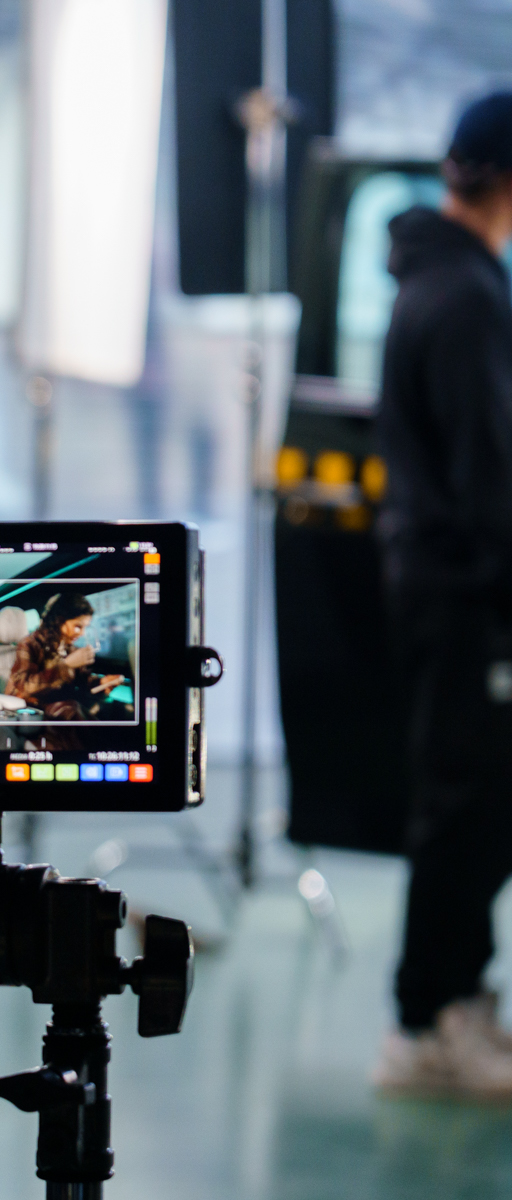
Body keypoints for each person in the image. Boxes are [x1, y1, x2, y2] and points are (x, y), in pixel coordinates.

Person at [370, 91, 512, 1098]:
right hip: (467, 594)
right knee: (465, 809)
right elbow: (489, 478)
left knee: (474, 804)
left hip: (440, 587)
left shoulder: (435, 278)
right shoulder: (463, 296)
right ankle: (427, 1024)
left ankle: (454, 998)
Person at [7, 592, 124, 720]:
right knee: (72, 710)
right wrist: (66, 666)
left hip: (61, 706)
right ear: (60, 620)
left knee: (115, 709)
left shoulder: (69, 648)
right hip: (31, 710)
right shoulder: (30, 644)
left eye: (85, 627)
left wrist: (102, 682)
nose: (82, 633)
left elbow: (82, 681)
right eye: (78, 626)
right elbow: (24, 687)